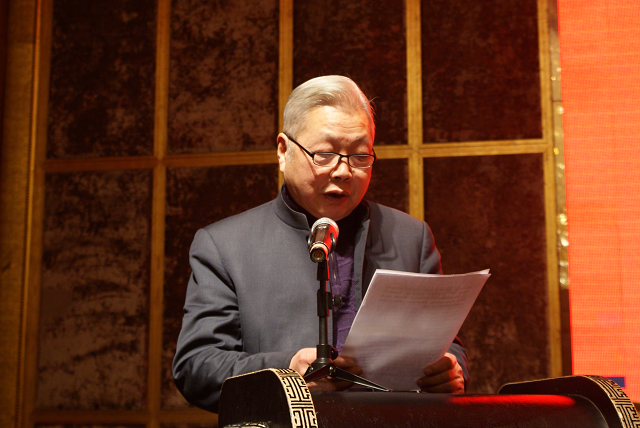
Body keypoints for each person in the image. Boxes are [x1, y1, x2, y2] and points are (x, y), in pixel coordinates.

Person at [173, 75, 468, 413]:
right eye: (325, 154)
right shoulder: (224, 245)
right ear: (283, 151)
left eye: (360, 155)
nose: (343, 171)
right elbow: (196, 366)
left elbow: (447, 345)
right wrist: (288, 372)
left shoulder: (411, 237)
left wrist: (452, 369)